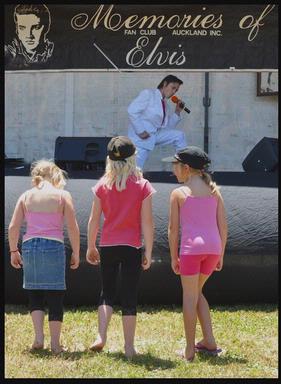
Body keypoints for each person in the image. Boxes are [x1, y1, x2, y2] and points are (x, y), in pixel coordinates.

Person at [86, 136, 155, 358]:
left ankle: (101, 336)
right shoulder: (142, 185)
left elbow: (93, 220)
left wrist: (90, 246)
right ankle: (128, 347)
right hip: (131, 246)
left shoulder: (102, 185)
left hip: (107, 244)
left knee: (107, 292)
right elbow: (147, 222)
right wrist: (149, 250)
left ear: (109, 159)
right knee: (129, 296)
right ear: (133, 158)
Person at [8, 159, 80, 354]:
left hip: (30, 245)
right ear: (55, 175)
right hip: (54, 245)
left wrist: (14, 250)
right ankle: (56, 344)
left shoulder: (26, 196)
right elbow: (72, 227)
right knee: (56, 294)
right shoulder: (62, 195)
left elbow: (13, 226)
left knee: (35, 293)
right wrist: (76, 251)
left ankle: (38, 338)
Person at [163, 146, 228, 362]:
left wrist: (174, 257)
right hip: (213, 248)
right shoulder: (215, 191)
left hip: (191, 250)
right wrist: (221, 255)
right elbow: (223, 227)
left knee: (189, 297)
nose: (173, 171)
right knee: (197, 292)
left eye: (175, 166)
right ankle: (209, 341)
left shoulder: (178, 194)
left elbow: (173, 230)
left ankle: (189, 351)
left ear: (186, 168)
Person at [127, 74, 188, 169]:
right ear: (164, 84)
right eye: (173, 88)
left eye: (176, 90)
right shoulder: (148, 94)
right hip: (140, 140)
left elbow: (167, 127)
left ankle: (184, 164)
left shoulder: (165, 104)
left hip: (155, 135)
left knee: (179, 135)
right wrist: (141, 131)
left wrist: (177, 112)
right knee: (134, 171)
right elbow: (132, 110)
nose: (174, 92)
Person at [5, 4, 54, 69]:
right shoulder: (9, 51)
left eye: (36, 27)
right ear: (17, 30)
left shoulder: (54, 51)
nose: (29, 35)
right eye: (22, 28)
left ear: (46, 28)